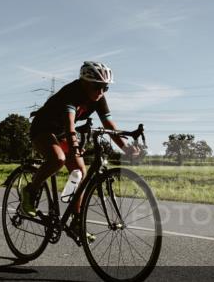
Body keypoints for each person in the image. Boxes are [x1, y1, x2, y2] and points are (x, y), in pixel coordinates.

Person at [20, 61, 136, 218]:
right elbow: (69, 123)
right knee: (58, 159)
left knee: (80, 172)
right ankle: (30, 191)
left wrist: (126, 147)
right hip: (43, 129)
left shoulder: (99, 98)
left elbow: (109, 125)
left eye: (105, 87)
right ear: (84, 83)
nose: (101, 91)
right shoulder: (72, 93)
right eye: (97, 86)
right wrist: (74, 145)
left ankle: (76, 220)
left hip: (61, 133)